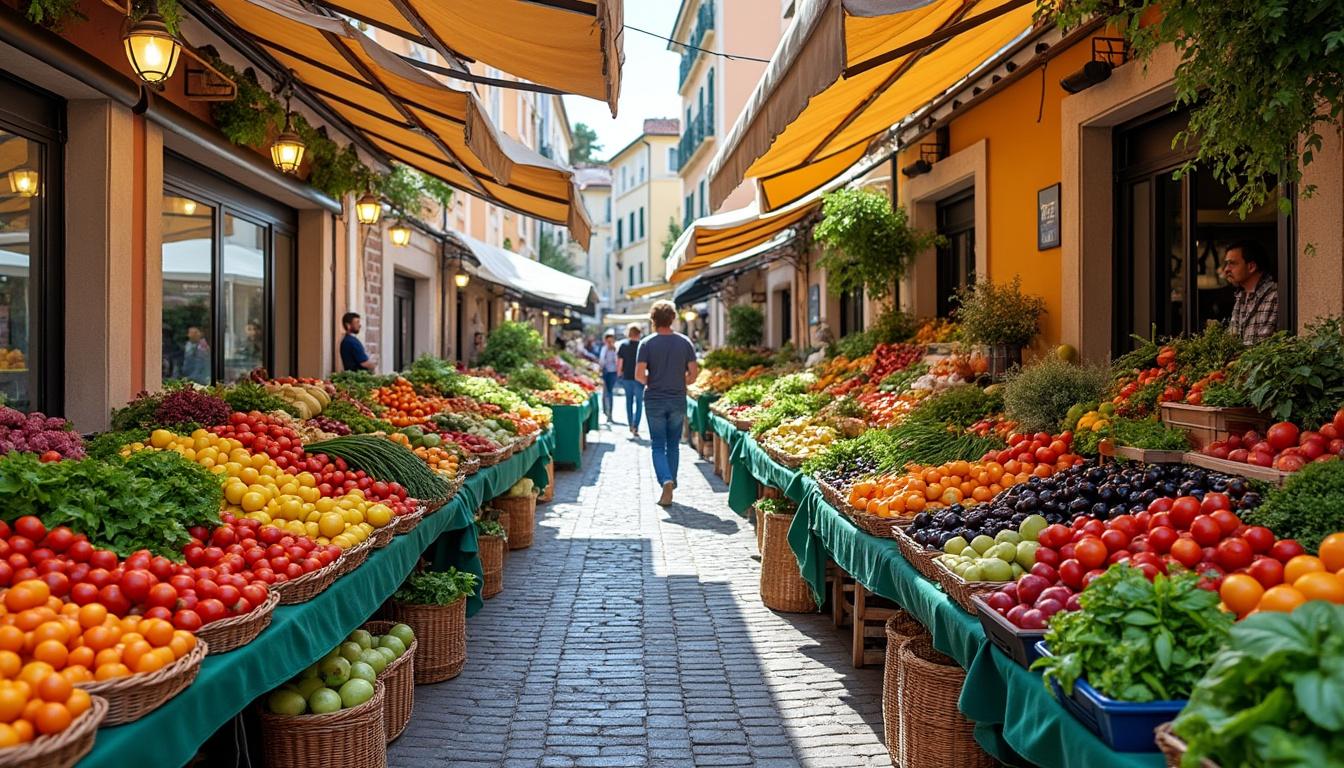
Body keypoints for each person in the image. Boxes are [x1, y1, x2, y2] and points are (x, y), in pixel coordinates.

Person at [636, 301, 699, 506]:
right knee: (673, 444)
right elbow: (693, 375)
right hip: (677, 398)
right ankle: (670, 480)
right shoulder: (685, 342)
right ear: (673, 318)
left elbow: (639, 375)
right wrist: (681, 382)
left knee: (657, 445)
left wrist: (652, 382)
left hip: (654, 398)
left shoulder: (646, 343)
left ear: (653, 320)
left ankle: (666, 480)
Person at [1223, 240, 1279, 344]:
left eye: (1232, 263)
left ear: (1251, 267)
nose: (1226, 269)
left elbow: (1263, 346)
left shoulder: (1274, 296)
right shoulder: (1241, 297)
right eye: (1226, 264)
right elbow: (1231, 342)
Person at [617, 324, 644, 437]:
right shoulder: (642, 345)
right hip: (639, 377)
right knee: (639, 402)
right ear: (639, 333)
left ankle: (630, 424)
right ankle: (636, 425)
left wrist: (619, 373)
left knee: (629, 401)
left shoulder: (623, 345)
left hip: (627, 377)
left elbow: (620, 362)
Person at [598, 332, 619, 424]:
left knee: (609, 392)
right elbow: (602, 361)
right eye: (608, 340)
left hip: (612, 373)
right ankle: (606, 412)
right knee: (606, 392)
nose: (610, 342)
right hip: (606, 372)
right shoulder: (604, 349)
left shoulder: (615, 350)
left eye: (611, 340)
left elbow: (617, 361)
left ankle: (609, 413)